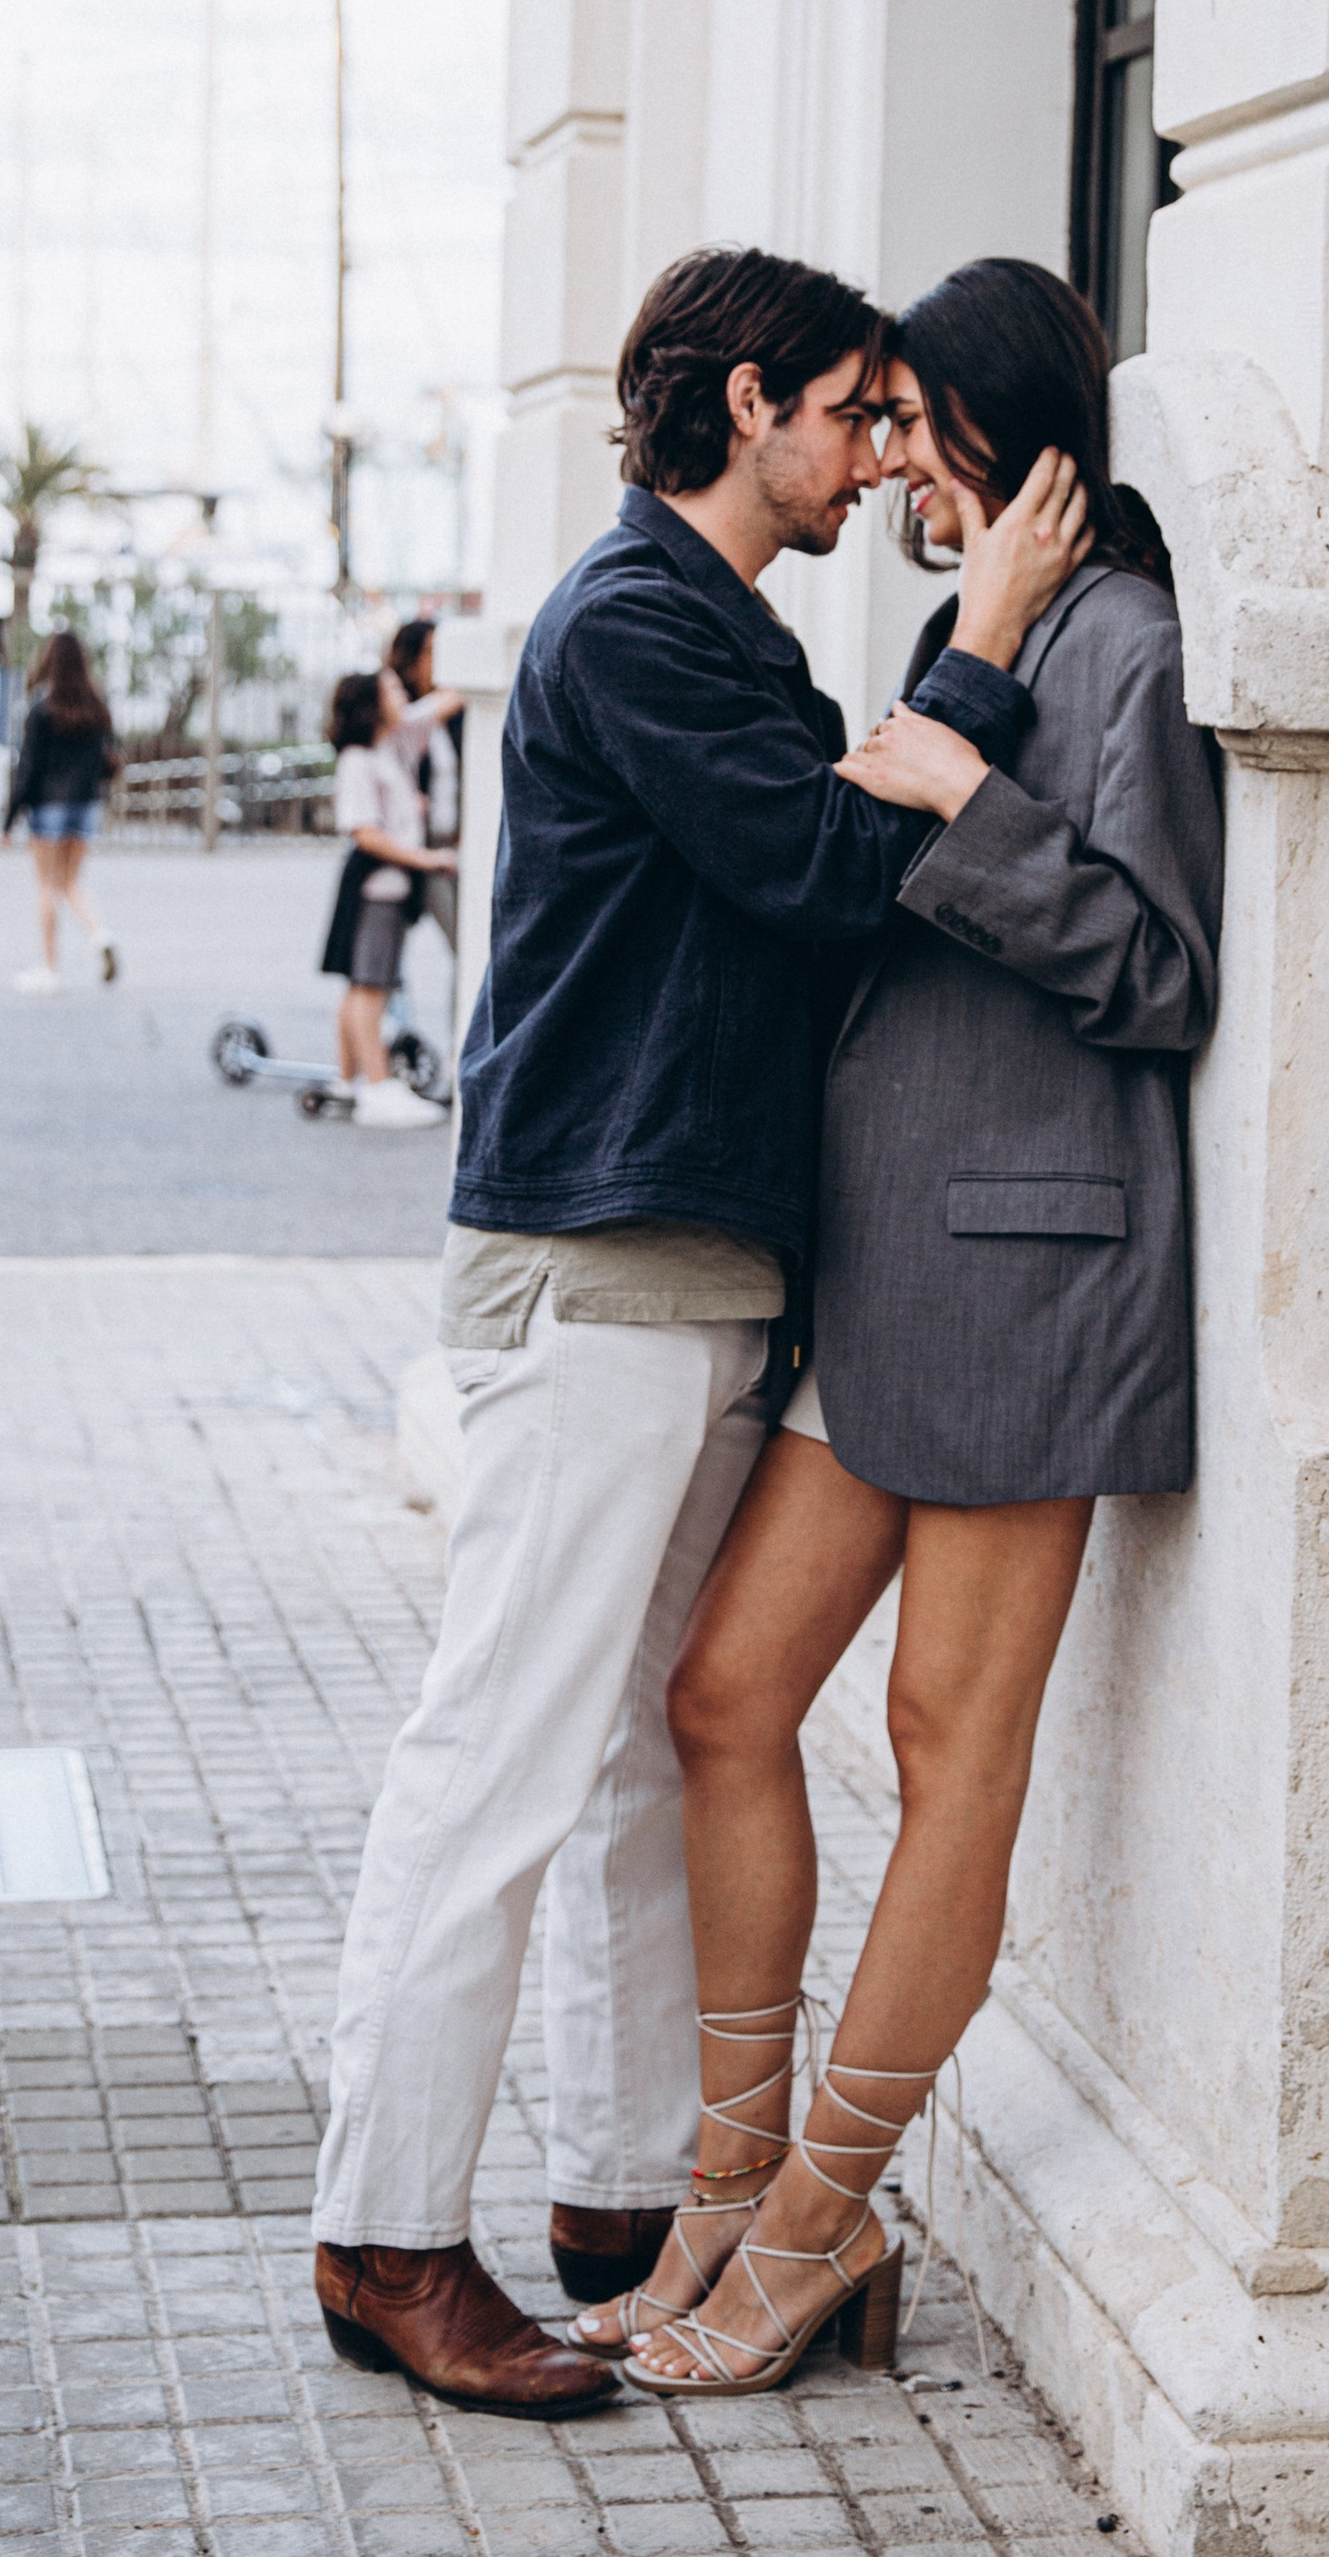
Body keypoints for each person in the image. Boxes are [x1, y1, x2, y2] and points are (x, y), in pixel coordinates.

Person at [309, 245, 1092, 2419]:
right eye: (847, 412)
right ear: (744, 405)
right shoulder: (635, 620)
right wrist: (994, 650)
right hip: (599, 1268)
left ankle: (624, 2196)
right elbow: (832, 877)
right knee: (502, 1756)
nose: (878, 453)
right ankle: (383, 2233)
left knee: (656, 1741)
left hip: (697, 1275)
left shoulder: (715, 625)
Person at [577, 259, 1225, 2398]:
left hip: (1033, 1275)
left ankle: (825, 2220)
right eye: (870, 424)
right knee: (725, 1694)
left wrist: (967, 801)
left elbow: (1154, 972)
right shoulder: (999, 635)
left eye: (917, 426)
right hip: (883, 1276)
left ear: (1021, 442)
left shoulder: (1117, 642)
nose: (891, 465)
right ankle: (736, 2184)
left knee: (953, 1752)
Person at [323, 666, 455, 1130]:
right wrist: (427, 859)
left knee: (362, 985)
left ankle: (348, 1083)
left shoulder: (392, 744)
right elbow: (366, 834)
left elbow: (441, 704)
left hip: (388, 887)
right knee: (370, 988)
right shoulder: (360, 759)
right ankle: (378, 1088)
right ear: (372, 704)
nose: (403, 692)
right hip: (378, 886)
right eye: (393, 689)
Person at [1, 629, 119, 994]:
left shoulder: (41, 709)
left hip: (49, 806)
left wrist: (8, 819)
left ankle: (50, 970)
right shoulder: (97, 707)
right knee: (71, 882)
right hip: (86, 806)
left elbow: (28, 768)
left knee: (46, 886)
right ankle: (100, 935)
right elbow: (110, 758)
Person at [384, 616, 464, 950]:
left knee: (467, 942)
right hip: (414, 847)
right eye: (431, 651)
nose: (438, 662)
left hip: (451, 845)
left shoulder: (453, 722)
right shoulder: (402, 719)